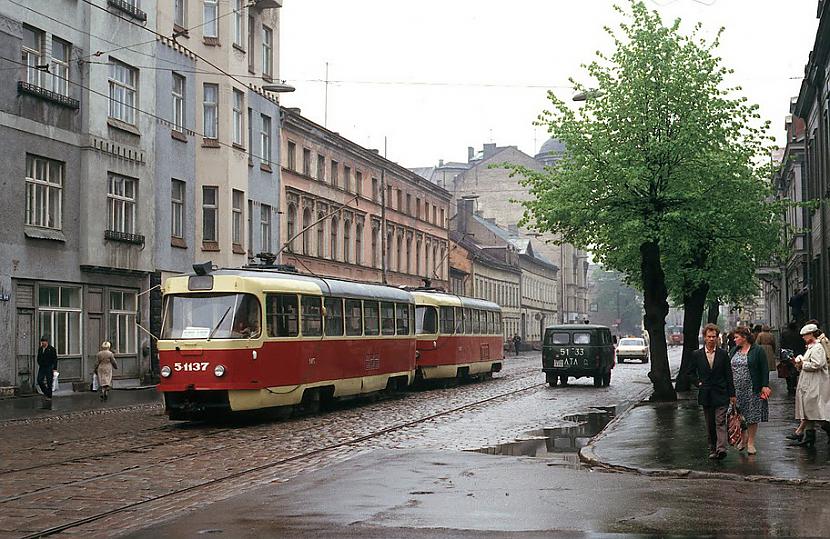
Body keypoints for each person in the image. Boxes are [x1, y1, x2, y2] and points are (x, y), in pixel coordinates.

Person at [689, 324, 736, 459]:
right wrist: (698, 383)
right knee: (710, 423)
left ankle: (721, 448)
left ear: (717, 338)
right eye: (709, 337)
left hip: (721, 392)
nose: (711, 339)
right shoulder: (697, 354)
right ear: (704, 338)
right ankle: (713, 447)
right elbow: (690, 373)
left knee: (720, 420)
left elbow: (728, 374)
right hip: (706, 393)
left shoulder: (723, 354)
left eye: (713, 337)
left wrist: (732, 394)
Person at [729, 326, 771, 455]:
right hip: (736, 389)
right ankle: (743, 438)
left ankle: (751, 442)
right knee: (739, 416)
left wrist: (765, 385)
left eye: (737, 337)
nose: (734, 340)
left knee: (752, 416)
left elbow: (764, 369)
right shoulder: (734, 350)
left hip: (752, 388)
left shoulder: (757, 350)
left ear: (745, 337)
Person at [791, 323, 830, 448]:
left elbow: (817, 364)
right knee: (808, 410)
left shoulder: (818, 347)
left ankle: (815, 434)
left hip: (816, 383)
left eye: (805, 335)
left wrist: (803, 364)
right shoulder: (811, 347)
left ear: (812, 334)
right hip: (809, 382)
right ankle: (809, 436)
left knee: (816, 411)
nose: (803, 337)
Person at [780, 321, 806, 395]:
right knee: (795, 369)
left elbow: (782, 344)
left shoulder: (784, 333)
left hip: (787, 353)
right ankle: (793, 385)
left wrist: (782, 356)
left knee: (787, 370)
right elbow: (802, 343)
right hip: (797, 353)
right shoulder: (799, 333)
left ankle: (789, 386)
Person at [36, 335, 58, 399]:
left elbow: (55, 359)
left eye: (44, 342)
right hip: (42, 367)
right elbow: (38, 357)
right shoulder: (40, 349)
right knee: (39, 380)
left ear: (47, 342)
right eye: (42, 342)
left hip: (49, 367)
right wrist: (40, 363)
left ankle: (49, 396)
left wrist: (54, 368)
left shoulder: (51, 349)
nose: (42, 343)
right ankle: (46, 392)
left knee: (49, 382)